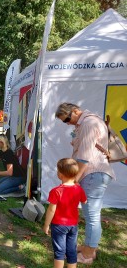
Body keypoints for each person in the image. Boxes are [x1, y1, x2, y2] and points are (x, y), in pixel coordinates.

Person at [55, 102, 115, 264]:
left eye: (67, 118)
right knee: (91, 215)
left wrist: (73, 181)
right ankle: (88, 246)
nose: (67, 123)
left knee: (92, 216)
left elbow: (84, 158)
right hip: (93, 174)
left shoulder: (88, 123)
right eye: (64, 121)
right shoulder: (86, 123)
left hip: (92, 174)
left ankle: (89, 254)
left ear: (75, 111)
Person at [43, 158, 87, 268]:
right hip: (73, 225)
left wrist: (46, 225)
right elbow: (85, 201)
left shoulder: (56, 191)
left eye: (58, 170)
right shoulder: (79, 189)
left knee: (59, 251)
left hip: (58, 225)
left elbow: (51, 210)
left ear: (61, 175)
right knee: (71, 250)